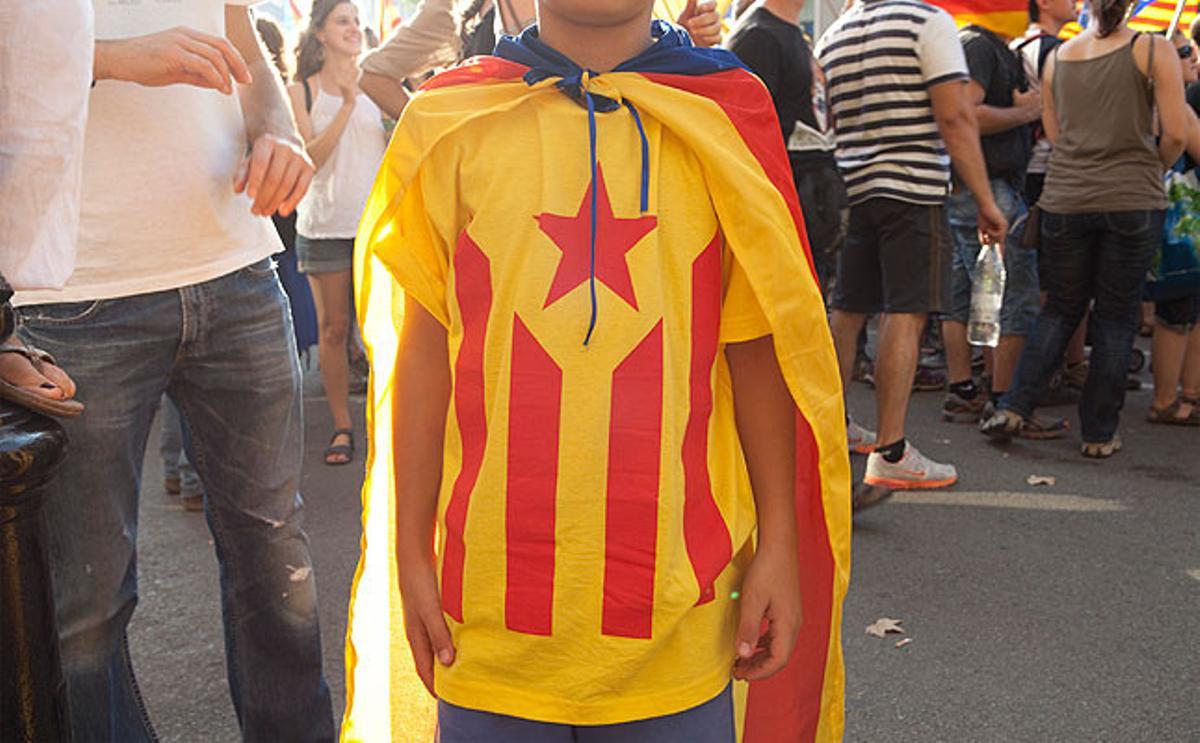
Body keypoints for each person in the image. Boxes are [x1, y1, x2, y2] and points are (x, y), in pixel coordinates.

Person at [354, 3, 851, 740]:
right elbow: (423, 356)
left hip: (678, 625)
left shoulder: (726, 112)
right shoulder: (448, 117)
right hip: (487, 620)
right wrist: (409, 555)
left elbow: (756, 347)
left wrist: (779, 541)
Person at [13, 4, 335, 741]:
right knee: (85, 603)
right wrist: (112, 55)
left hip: (237, 267)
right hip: (72, 291)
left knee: (276, 560)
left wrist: (276, 129)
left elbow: (244, 45)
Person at [981, 0, 1188, 457]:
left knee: (1060, 309)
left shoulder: (1061, 57)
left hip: (1066, 197)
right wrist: (1151, 166)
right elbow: (1175, 131)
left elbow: (1055, 135)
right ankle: (1097, 433)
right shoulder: (1153, 50)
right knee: (1116, 316)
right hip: (1132, 197)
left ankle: (1016, 404)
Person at [816, 0, 1007, 490]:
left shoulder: (834, 35)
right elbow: (955, 117)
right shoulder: (926, 22)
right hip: (913, 186)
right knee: (906, 310)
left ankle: (831, 431)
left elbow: (830, 122)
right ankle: (892, 449)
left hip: (856, 186)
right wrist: (985, 199)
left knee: (850, 309)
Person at [939, 23, 1063, 437]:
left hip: (976, 185)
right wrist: (1026, 112)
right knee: (1009, 294)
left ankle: (970, 390)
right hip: (985, 186)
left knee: (971, 293)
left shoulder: (981, 44)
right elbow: (967, 112)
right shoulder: (979, 44)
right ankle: (1004, 401)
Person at [288, 0, 388, 466]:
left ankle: (386, 423)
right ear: (321, 33)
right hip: (325, 227)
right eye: (342, 21)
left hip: (378, 227)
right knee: (333, 329)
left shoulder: (381, 84)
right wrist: (347, 103)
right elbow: (311, 159)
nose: (353, 28)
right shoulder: (300, 91)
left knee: (382, 332)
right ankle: (342, 426)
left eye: (356, 21)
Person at [359, 0, 725, 118]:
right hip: (505, 170)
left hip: (611, 160)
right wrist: (445, 130)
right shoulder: (459, 8)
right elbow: (373, 73)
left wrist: (682, 44)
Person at [728, 0, 847, 295]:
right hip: (780, 215)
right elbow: (742, 134)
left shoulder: (788, 31)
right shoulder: (759, 34)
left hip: (809, 207)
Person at [1012, 0, 1090, 405]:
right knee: (1058, 278)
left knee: (1046, 275)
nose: (1076, 2)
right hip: (1049, 169)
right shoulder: (1050, 49)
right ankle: (1054, 368)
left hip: (1030, 168)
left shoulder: (1024, 45)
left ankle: (1063, 365)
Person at [1146, 29, 1200, 425]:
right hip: (1179, 217)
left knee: (1189, 308)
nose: (1192, 57)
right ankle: (1167, 400)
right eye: (1183, 52)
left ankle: (1188, 397)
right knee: (1177, 308)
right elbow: (1185, 141)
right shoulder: (1176, 103)